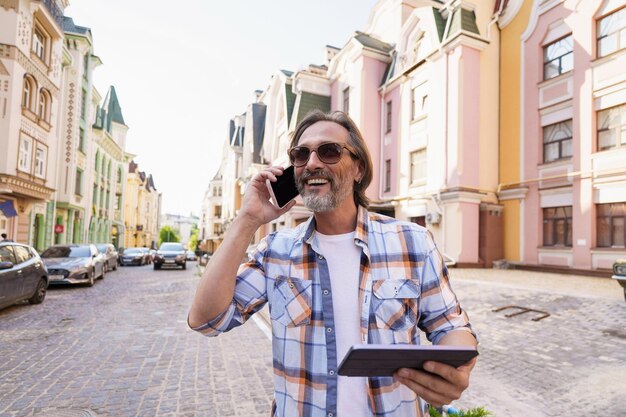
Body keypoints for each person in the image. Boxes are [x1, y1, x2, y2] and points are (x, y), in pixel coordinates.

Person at [188, 110, 478, 416]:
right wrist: (247, 220)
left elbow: (451, 326)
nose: (312, 163)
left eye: (328, 151)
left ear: (358, 168)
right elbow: (206, 319)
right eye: (301, 155)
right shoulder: (276, 250)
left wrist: (455, 367)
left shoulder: (412, 241)